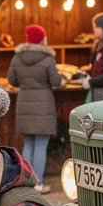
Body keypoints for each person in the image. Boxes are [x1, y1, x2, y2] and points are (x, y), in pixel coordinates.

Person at [6, 24, 64, 194]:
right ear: (42, 39)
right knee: (40, 146)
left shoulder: (17, 57)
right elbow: (56, 80)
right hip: (43, 103)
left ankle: (24, 182)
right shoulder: (47, 58)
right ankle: (37, 183)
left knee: (28, 144)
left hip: (24, 102)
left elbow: (12, 80)